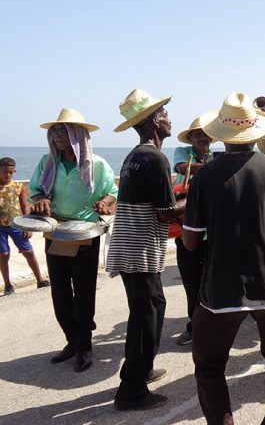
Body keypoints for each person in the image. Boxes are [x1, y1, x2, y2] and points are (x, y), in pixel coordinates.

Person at [182, 92, 265, 425]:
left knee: (209, 366)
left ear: (220, 135)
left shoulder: (205, 176)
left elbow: (191, 241)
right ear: (255, 132)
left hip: (222, 289)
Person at [107, 89, 185, 411]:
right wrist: (196, 198)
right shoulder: (155, 158)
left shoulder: (134, 156)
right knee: (146, 316)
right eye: (165, 115)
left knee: (148, 310)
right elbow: (166, 213)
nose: (169, 119)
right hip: (140, 249)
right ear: (155, 122)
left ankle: (141, 368)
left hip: (128, 246)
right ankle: (132, 391)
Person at [29, 109, 118, 372]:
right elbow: (35, 190)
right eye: (54, 131)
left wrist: (104, 202)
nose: (57, 135)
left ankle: (84, 345)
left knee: (83, 290)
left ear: (78, 135)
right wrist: (40, 200)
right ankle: (72, 340)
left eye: (63, 131)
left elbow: (112, 192)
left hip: (84, 233)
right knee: (59, 291)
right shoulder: (48, 162)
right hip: (55, 230)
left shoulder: (97, 165)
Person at [172, 115, 214, 346]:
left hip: (211, 233)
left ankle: (210, 324)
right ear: (190, 138)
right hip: (185, 229)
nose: (202, 138)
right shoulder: (182, 153)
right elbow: (181, 168)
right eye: (197, 134)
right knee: (190, 281)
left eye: (205, 134)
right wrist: (214, 166)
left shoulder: (216, 158)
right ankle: (194, 325)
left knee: (210, 280)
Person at [0, 157, 49, 295]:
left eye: (11, 172)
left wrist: (27, 226)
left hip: (17, 224)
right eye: (4, 172)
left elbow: (23, 206)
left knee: (28, 251)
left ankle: (40, 280)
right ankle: (8, 285)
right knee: (3, 255)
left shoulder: (18, 186)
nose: (8, 175)